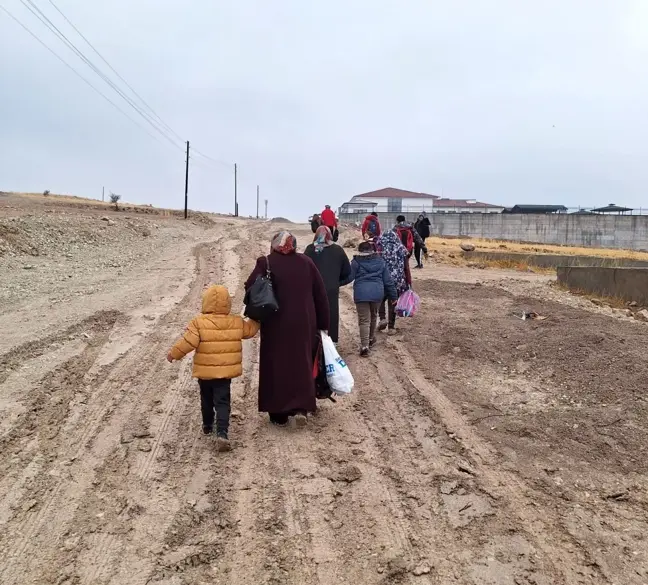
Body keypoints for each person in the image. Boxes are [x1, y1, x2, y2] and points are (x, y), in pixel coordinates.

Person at [244, 231, 330, 427]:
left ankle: (278, 413)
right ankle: (301, 408)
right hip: (304, 323)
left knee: (276, 364)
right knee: (302, 362)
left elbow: (250, 287)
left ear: (274, 244)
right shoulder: (306, 262)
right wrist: (324, 325)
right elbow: (320, 295)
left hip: (275, 323)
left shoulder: (265, 262)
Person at [167, 285, 259, 452]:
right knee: (223, 402)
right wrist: (258, 318)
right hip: (224, 375)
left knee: (206, 399)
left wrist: (173, 354)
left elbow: (188, 342)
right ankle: (222, 433)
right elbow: (250, 330)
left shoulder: (198, 323)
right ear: (227, 303)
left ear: (206, 303)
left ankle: (208, 425)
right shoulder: (236, 322)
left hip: (205, 374)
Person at [304, 226, 353, 344]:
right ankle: (331, 342)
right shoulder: (337, 250)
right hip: (331, 289)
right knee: (331, 314)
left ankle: (314, 341)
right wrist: (336, 281)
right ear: (330, 236)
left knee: (313, 314)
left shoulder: (310, 249)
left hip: (313, 289)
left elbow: (303, 270)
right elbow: (347, 271)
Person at [351, 241, 397, 356]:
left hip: (361, 293)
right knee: (373, 316)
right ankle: (370, 339)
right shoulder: (381, 262)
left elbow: (349, 277)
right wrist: (393, 296)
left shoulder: (355, 262)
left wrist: (335, 282)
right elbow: (388, 281)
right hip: (377, 293)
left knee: (364, 320)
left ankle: (365, 346)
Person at [376, 228, 411, 333]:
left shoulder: (379, 248)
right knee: (393, 301)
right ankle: (391, 327)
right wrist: (408, 280)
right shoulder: (401, 248)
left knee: (380, 299)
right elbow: (406, 267)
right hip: (397, 280)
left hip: (382, 279)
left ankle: (382, 318)